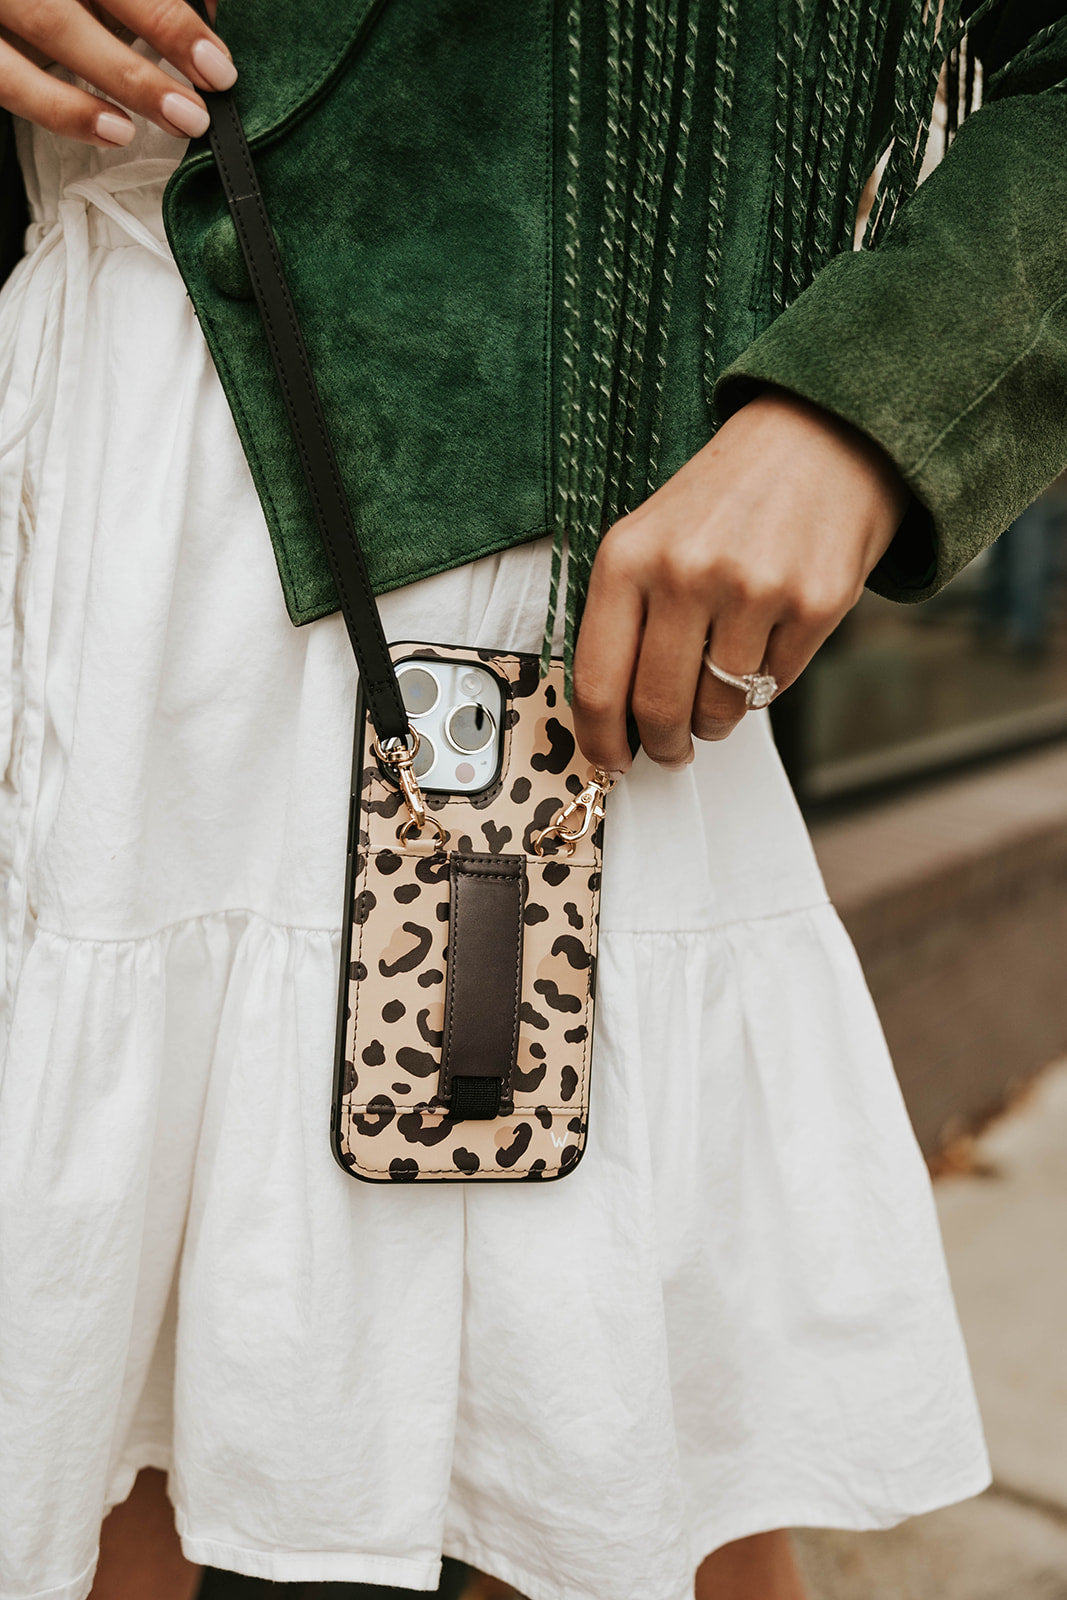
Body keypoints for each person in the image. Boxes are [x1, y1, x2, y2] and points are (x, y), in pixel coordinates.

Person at [0, 3, 1063, 1599]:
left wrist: (869, 403)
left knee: (589, 1471)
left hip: (535, 550)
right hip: (89, 463)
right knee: (83, 1429)